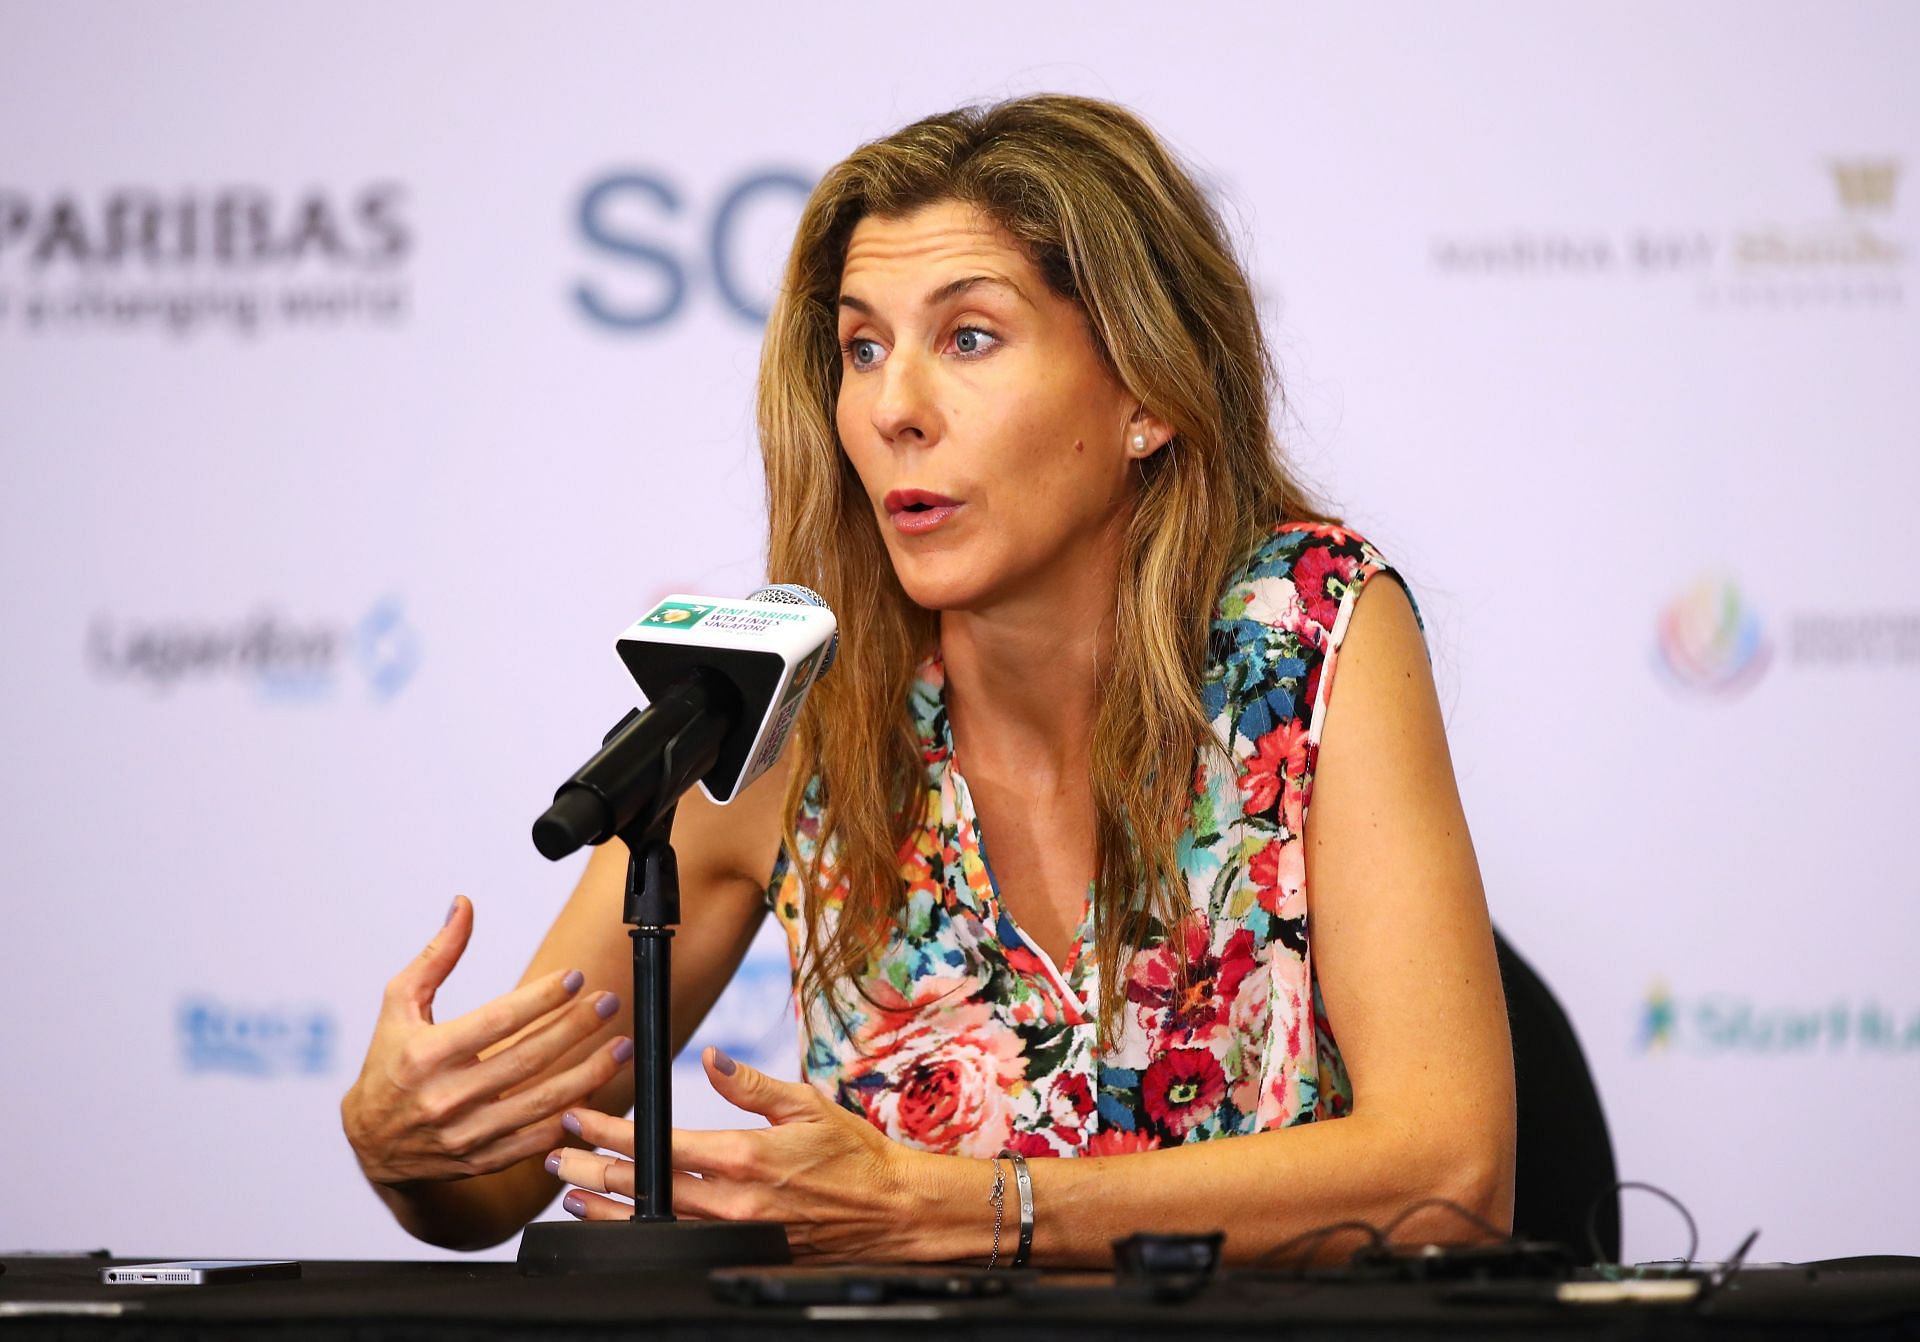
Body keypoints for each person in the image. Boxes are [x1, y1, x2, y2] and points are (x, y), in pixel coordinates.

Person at [341, 94, 1515, 1266]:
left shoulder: (1307, 633)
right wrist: (404, 1142)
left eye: (968, 338)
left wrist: (960, 1207)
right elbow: (489, 1184)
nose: (895, 408)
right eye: (863, 349)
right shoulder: (790, 715)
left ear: (1146, 391)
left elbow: (1451, 1175)